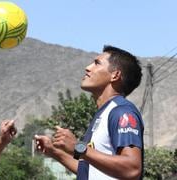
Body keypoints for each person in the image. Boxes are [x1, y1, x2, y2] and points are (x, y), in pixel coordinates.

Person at [35, 45, 144, 180]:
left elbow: (132, 169)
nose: (88, 67)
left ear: (115, 75)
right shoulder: (102, 113)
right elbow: (88, 170)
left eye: (97, 63)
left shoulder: (122, 112)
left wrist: (78, 147)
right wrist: (53, 152)